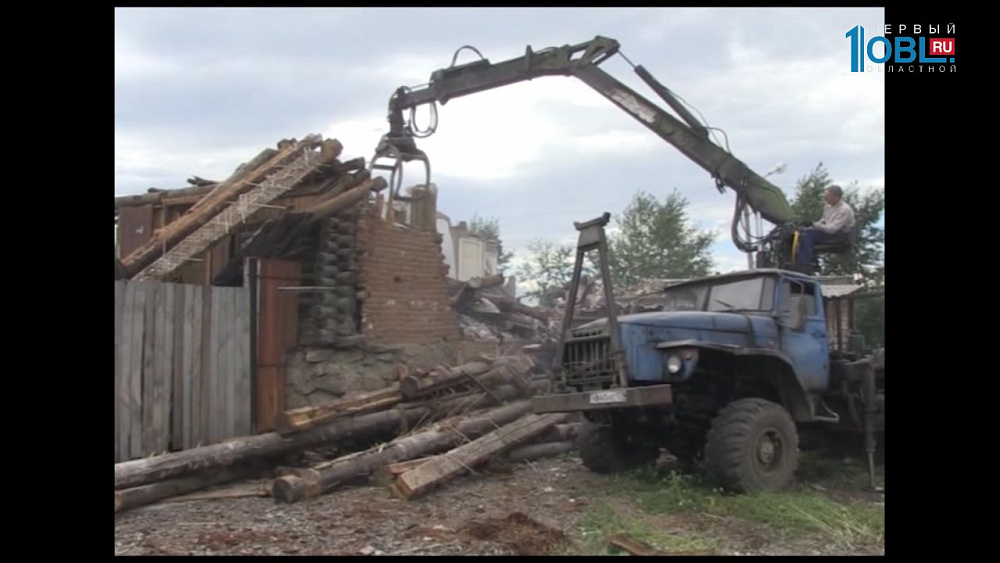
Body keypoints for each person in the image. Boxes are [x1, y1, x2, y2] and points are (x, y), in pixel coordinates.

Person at [794, 185, 855, 268]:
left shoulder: (844, 210)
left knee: (808, 235)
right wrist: (810, 226)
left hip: (839, 235)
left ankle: (804, 265)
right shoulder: (828, 206)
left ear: (836, 196)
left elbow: (832, 229)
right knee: (803, 232)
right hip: (831, 231)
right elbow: (824, 220)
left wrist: (813, 224)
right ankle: (812, 262)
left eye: (828, 196)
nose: (825, 198)